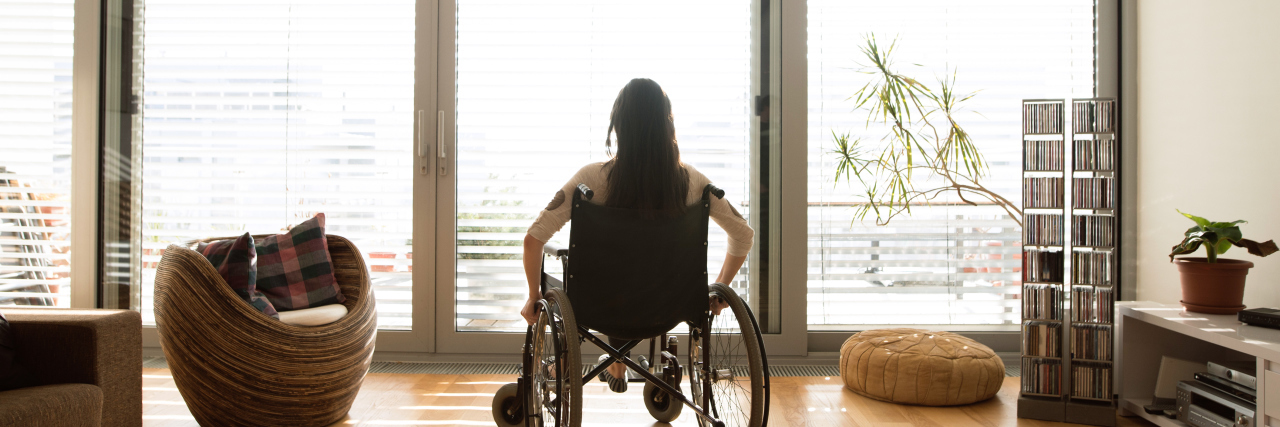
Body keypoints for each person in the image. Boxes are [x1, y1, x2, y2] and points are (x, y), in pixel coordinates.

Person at [520, 78, 754, 393]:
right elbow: (743, 234)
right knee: (636, 274)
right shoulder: (694, 184)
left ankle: (583, 363)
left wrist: (534, 297)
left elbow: (533, 239)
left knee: (593, 276)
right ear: (667, 125)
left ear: (618, 127)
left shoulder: (591, 180)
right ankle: (618, 362)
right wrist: (719, 290)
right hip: (668, 306)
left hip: (601, 305)